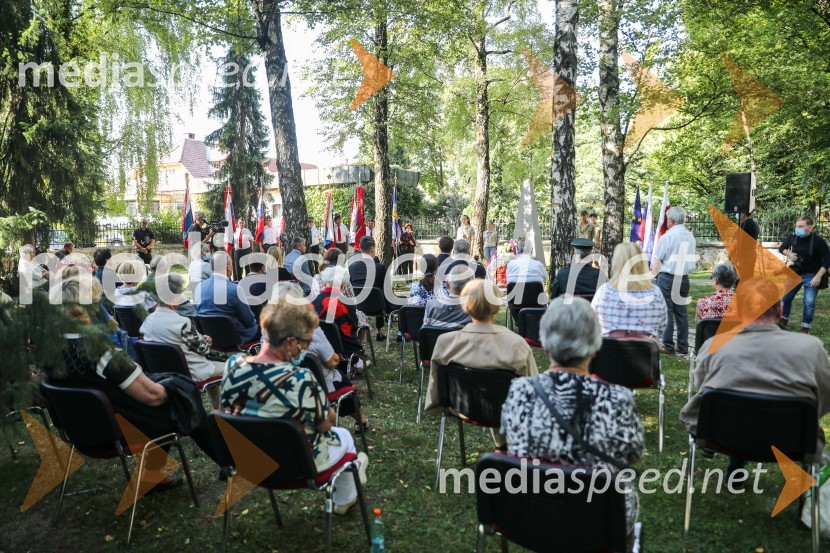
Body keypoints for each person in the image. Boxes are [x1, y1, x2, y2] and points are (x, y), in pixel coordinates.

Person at [48, 271, 216, 490]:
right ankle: (227, 462)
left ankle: (152, 474)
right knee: (182, 398)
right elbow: (152, 396)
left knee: (177, 390)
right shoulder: (100, 352)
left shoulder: (49, 350)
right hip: (120, 428)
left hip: (83, 429)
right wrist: (175, 387)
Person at [501, 297, 644, 538]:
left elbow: (508, 438)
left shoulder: (518, 391)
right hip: (600, 519)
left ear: (545, 346)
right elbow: (634, 454)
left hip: (531, 513)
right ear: (595, 346)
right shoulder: (617, 398)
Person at [220, 297, 369, 514]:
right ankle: (347, 489)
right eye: (306, 342)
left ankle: (351, 477)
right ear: (290, 342)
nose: (307, 348)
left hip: (251, 462)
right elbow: (326, 424)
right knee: (344, 435)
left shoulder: (233, 365)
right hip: (299, 464)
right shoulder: (300, 378)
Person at [680, 277, 830, 476]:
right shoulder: (811, 348)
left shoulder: (713, 347)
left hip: (724, 434)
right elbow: (825, 396)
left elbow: (703, 388)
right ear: (779, 309)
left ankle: (736, 467)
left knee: (738, 403)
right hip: (792, 438)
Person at [425, 279, 538, 449]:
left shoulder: (445, 343)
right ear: (497, 304)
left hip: (458, 407)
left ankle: (501, 444)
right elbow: (533, 393)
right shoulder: (516, 345)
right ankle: (502, 445)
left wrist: (435, 405)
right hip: (507, 412)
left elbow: (435, 384)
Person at [139, 273, 225, 382]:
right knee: (235, 366)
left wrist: (198, 338)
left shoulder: (147, 322)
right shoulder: (182, 323)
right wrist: (207, 342)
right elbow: (204, 350)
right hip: (193, 373)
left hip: (166, 374)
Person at [592, 242, 667, 341]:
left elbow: (591, 323)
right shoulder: (656, 293)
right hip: (644, 354)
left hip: (607, 353)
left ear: (617, 262)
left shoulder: (604, 291)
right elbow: (662, 327)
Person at [652, 206, 697, 355]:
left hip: (667, 277)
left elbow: (657, 260)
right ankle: (683, 346)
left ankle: (668, 345)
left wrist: (653, 274)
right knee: (681, 313)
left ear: (671, 220)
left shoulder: (668, 237)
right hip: (683, 277)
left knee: (667, 311)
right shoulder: (690, 236)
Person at [194, 252, 259, 344]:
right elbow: (249, 321)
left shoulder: (199, 288)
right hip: (236, 338)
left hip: (209, 337)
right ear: (228, 266)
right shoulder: (235, 290)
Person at [779, 216, 830, 334]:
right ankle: (784, 320)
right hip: (795, 273)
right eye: (797, 226)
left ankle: (805, 327)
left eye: (800, 226)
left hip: (812, 274)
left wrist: (818, 276)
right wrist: (789, 254)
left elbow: (828, 260)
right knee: (786, 298)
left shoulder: (818, 241)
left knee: (809, 301)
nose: (797, 228)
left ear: (810, 227)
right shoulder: (793, 237)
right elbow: (782, 248)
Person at [312, 248, 371, 332]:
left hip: (319, 313)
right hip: (341, 312)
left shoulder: (317, 278)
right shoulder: (343, 277)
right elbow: (352, 300)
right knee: (359, 317)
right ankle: (355, 342)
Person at [311, 266, 363, 356]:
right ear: (343, 284)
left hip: (319, 348)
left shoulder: (313, 303)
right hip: (345, 349)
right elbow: (355, 326)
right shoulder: (346, 303)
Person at [348, 236, 390, 340]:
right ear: (372, 250)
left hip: (358, 306)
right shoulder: (380, 268)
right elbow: (387, 291)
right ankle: (400, 334)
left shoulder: (351, 267)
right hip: (379, 307)